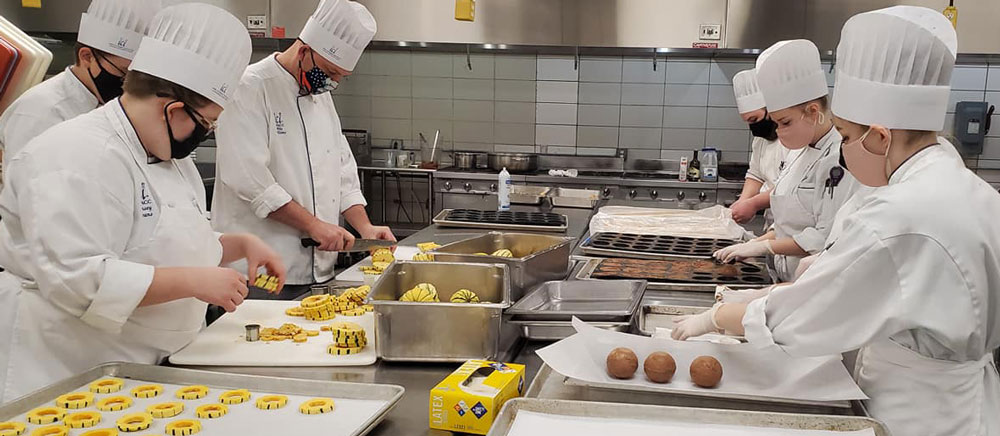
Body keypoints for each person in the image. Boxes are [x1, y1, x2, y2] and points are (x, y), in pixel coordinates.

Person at [674, 7, 1000, 436]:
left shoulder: (903, 213)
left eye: (846, 136)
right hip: (953, 397)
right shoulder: (962, 185)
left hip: (920, 411)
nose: (842, 150)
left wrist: (717, 319)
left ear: (880, 137)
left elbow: (801, 318)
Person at [0, 3, 284, 401]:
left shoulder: (167, 156)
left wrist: (238, 245)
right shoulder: (75, 153)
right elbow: (78, 279)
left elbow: (157, 244)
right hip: (70, 372)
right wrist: (196, 282)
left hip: (146, 371)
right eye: (205, 124)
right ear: (172, 107)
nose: (203, 136)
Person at [212, 0, 394, 298]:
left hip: (319, 272)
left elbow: (341, 168)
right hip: (261, 273)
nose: (333, 82)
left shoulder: (318, 93)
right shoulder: (250, 88)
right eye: (330, 71)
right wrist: (313, 225)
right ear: (304, 50)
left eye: (340, 77)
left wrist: (365, 227)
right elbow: (249, 179)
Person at [713, 39, 857, 281]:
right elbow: (786, 224)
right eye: (777, 122)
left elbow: (824, 236)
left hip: (810, 281)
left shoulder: (839, 159)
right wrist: (755, 244)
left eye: (785, 122)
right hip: (784, 276)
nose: (778, 131)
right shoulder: (800, 152)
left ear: (813, 112)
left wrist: (763, 247)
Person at [0, 0, 161, 174]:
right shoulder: (39, 112)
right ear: (87, 57)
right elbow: (28, 188)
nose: (130, 83)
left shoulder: (111, 105)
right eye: (124, 72)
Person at [728, 68, 791, 225]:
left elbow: (792, 186)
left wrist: (753, 204)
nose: (753, 126)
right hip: (773, 223)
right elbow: (756, 174)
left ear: (771, 110)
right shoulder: (761, 139)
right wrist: (742, 202)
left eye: (754, 119)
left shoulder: (795, 138)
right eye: (748, 122)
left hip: (794, 221)